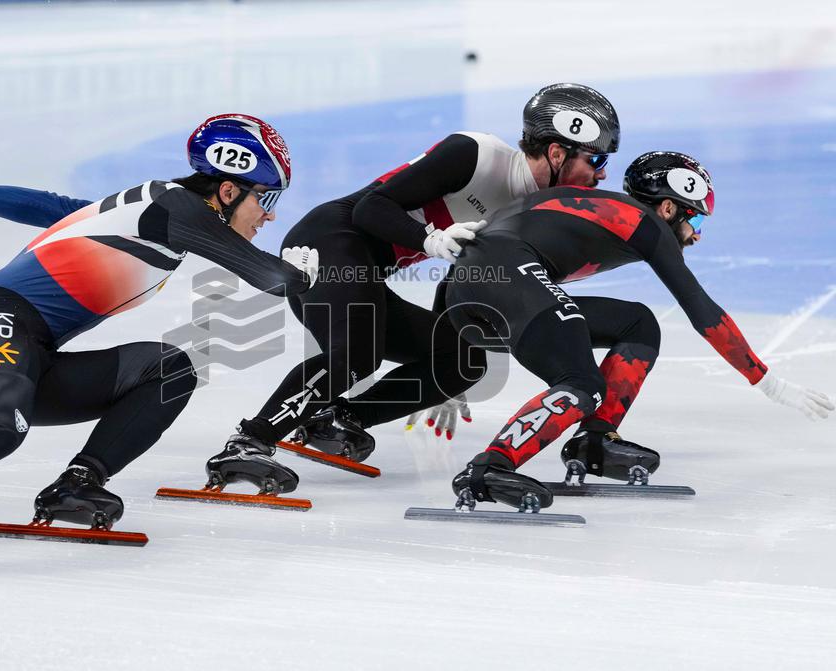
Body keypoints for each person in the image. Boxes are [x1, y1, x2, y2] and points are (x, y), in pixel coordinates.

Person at [0, 114, 318, 571]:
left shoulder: (154, 209)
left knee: (169, 369)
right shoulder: (178, 207)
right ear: (228, 189)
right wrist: (300, 275)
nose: (270, 217)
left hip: (36, 351)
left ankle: (77, 485)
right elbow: (269, 277)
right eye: (267, 200)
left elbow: (58, 209)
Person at [204, 83, 622, 496]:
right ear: (556, 152)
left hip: (365, 270)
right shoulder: (477, 154)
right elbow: (373, 207)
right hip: (328, 239)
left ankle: (335, 419)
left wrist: (442, 377)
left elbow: (461, 281)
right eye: (596, 158)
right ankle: (249, 441)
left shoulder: (527, 213)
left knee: (464, 361)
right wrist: (430, 239)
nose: (602, 173)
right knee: (357, 353)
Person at [447, 151, 833, 511]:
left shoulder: (612, 209)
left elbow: (475, 259)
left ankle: (594, 440)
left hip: (473, 292)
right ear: (668, 207)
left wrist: (446, 360)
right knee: (582, 383)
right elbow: (702, 311)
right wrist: (766, 381)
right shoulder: (645, 222)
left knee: (638, 323)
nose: (697, 236)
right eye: (695, 220)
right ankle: (489, 467)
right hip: (504, 280)